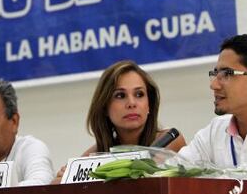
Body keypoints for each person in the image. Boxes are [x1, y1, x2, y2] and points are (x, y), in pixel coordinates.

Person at [53, 60, 186, 183]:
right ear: (104, 106)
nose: (131, 103)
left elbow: (138, 177)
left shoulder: (170, 140)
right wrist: (67, 178)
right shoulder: (98, 151)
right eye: (120, 95)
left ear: (149, 104)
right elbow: (54, 186)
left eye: (139, 94)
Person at [179, 34, 247, 168]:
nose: (214, 85)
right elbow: (177, 169)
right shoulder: (214, 132)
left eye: (226, 74)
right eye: (215, 74)